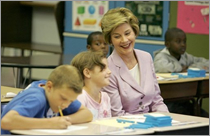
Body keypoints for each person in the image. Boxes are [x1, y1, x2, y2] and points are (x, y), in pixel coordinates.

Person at [100, 7, 169, 117]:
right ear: (110, 40)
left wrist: (166, 119)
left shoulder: (146, 57)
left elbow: (157, 101)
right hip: (126, 127)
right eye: (117, 36)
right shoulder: (108, 68)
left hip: (153, 123)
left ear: (134, 32)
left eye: (127, 33)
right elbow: (117, 113)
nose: (124, 40)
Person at [1, 65, 93, 134]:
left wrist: (64, 121)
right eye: (63, 98)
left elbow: (87, 114)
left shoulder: (63, 95)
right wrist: (50, 123)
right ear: (49, 87)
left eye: (71, 101)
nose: (66, 105)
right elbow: (6, 121)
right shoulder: (37, 98)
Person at [153, 27, 209, 117]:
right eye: (178, 41)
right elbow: (162, 67)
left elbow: (205, 63)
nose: (183, 45)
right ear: (167, 44)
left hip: (184, 98)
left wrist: (190, 68)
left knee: (204, 116)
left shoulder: (185, 57)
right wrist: (180, 68)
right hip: (166, 101)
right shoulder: (161, 56)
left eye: (184, 41)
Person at [71, 51, 112, 120]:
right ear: (87, 73)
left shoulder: (105, 97)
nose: (109, 71)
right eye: (104, 68)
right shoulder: (80, 96)